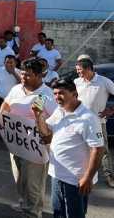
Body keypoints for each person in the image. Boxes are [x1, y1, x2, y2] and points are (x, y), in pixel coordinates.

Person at [32, 79, 105, 218]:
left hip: (75, 180)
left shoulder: (89, 118)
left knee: (74, 215)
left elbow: (98, 149)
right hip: (57, 175)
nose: (57, 97)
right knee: (59, 213)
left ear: (74, 94)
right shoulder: (60, 111)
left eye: (61, 93)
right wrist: (38, 115)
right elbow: (47, 135)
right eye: (55, 93)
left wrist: (88, 178)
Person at [0, 58, 58, 218]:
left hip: (35, 147)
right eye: (22, 74)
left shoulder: (47, 95)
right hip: (16, 143)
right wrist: (0, 117)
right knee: (20, 179)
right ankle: (24, 203)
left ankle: (33, 212)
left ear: (40, 76)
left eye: (28, 75)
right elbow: (6, 103)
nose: (23, 78)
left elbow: (57, 120)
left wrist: (48, 135)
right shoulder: (17, 88)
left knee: (33, 184)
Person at [74, 58, 114, 187]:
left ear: (89, 69)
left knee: (102, 151)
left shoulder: (104, 81)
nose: (78, 73)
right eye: (77, 71)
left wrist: (111, 110)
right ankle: (82, 175)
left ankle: (110, 177)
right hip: (78, 122)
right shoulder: (77, 82)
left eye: (80, 70)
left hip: (98, 122)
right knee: (79, 148)